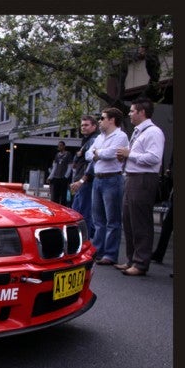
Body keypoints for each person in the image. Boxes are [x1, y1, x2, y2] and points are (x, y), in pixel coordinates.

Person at [114, 98, 166, 276]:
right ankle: (131, 259)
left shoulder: (153, 132)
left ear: (141, 112)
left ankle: (141, 262)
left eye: (132, 111)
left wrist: (131, 154)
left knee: (141, 222)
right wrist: (126, 157)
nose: (129, 114)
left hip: (143, 179)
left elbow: (154, 158)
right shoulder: (138, 132)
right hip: (132, 177)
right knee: (128, 220)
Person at [85, 107, 128, 266]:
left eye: (102, 118)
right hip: (98, 179)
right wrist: (98, 153)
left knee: (112, 219)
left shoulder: (121, 136)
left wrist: (98, 153)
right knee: (98, 219)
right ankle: (98, 251)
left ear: (112, 120)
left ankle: (110, 254)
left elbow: (110, 154)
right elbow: (88, 155)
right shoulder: (100, 137)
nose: (100, 121)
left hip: (112, 179)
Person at [69, 115, 100, 239]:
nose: (83, 127)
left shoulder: (94, 140)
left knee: (82, 213)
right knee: (79, 211)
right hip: (81, 180)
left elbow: (92, 163)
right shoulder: (86, 140)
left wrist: (82, 180)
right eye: (82, 125)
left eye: (86, 125)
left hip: (86, 182)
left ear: (94, 126)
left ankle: (84, 242)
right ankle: (85, 239)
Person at [47, 141, 72, 205]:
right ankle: (56, 206)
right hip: (56, 177)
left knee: (63, 195)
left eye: (61, 145)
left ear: (64, 146)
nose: (59, 147)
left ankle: (63, 206)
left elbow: (69, 166)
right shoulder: (57, 155)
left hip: (63, 177)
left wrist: (66, 176)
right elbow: (54, 167)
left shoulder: (68, 154)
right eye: (58, 146)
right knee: (55, 195)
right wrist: (50, 177)